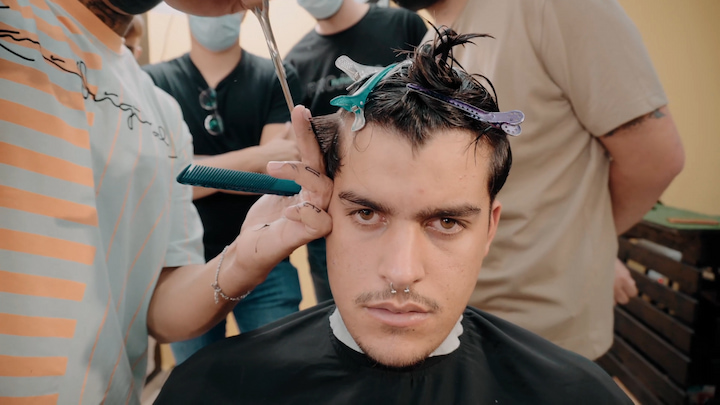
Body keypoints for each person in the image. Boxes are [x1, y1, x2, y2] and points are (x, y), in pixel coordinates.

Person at [154, 30, 633, 404]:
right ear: (322, 209)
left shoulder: (583, 395)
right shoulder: (210, 390)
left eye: (446, 222)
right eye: (366, 213)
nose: (402, 271)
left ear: (490, 228)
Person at [0, 0, 319, 403]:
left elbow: (163, 309)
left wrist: (244, 259)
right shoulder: (14, 22)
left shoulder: (160, 109)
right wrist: (251, 158)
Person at [394, 0, 685, 359]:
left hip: (542, 342)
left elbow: (655, 160)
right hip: (450, 331)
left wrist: (593, 246)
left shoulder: (554, 7)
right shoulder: (429, 47)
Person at [143, 12, 305, 364]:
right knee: (197, 383)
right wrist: (258, 154)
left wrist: (192, 170)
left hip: (267, 259)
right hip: (184, 269)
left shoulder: (277, 76)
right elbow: (160, 178)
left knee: (277, 380)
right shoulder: (152, 83)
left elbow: (276, 179)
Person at [285, 0, 427, 302]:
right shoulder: (296, 61)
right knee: (338, 318)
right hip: (336, 219)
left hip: (411, 205)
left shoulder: (404, 25)